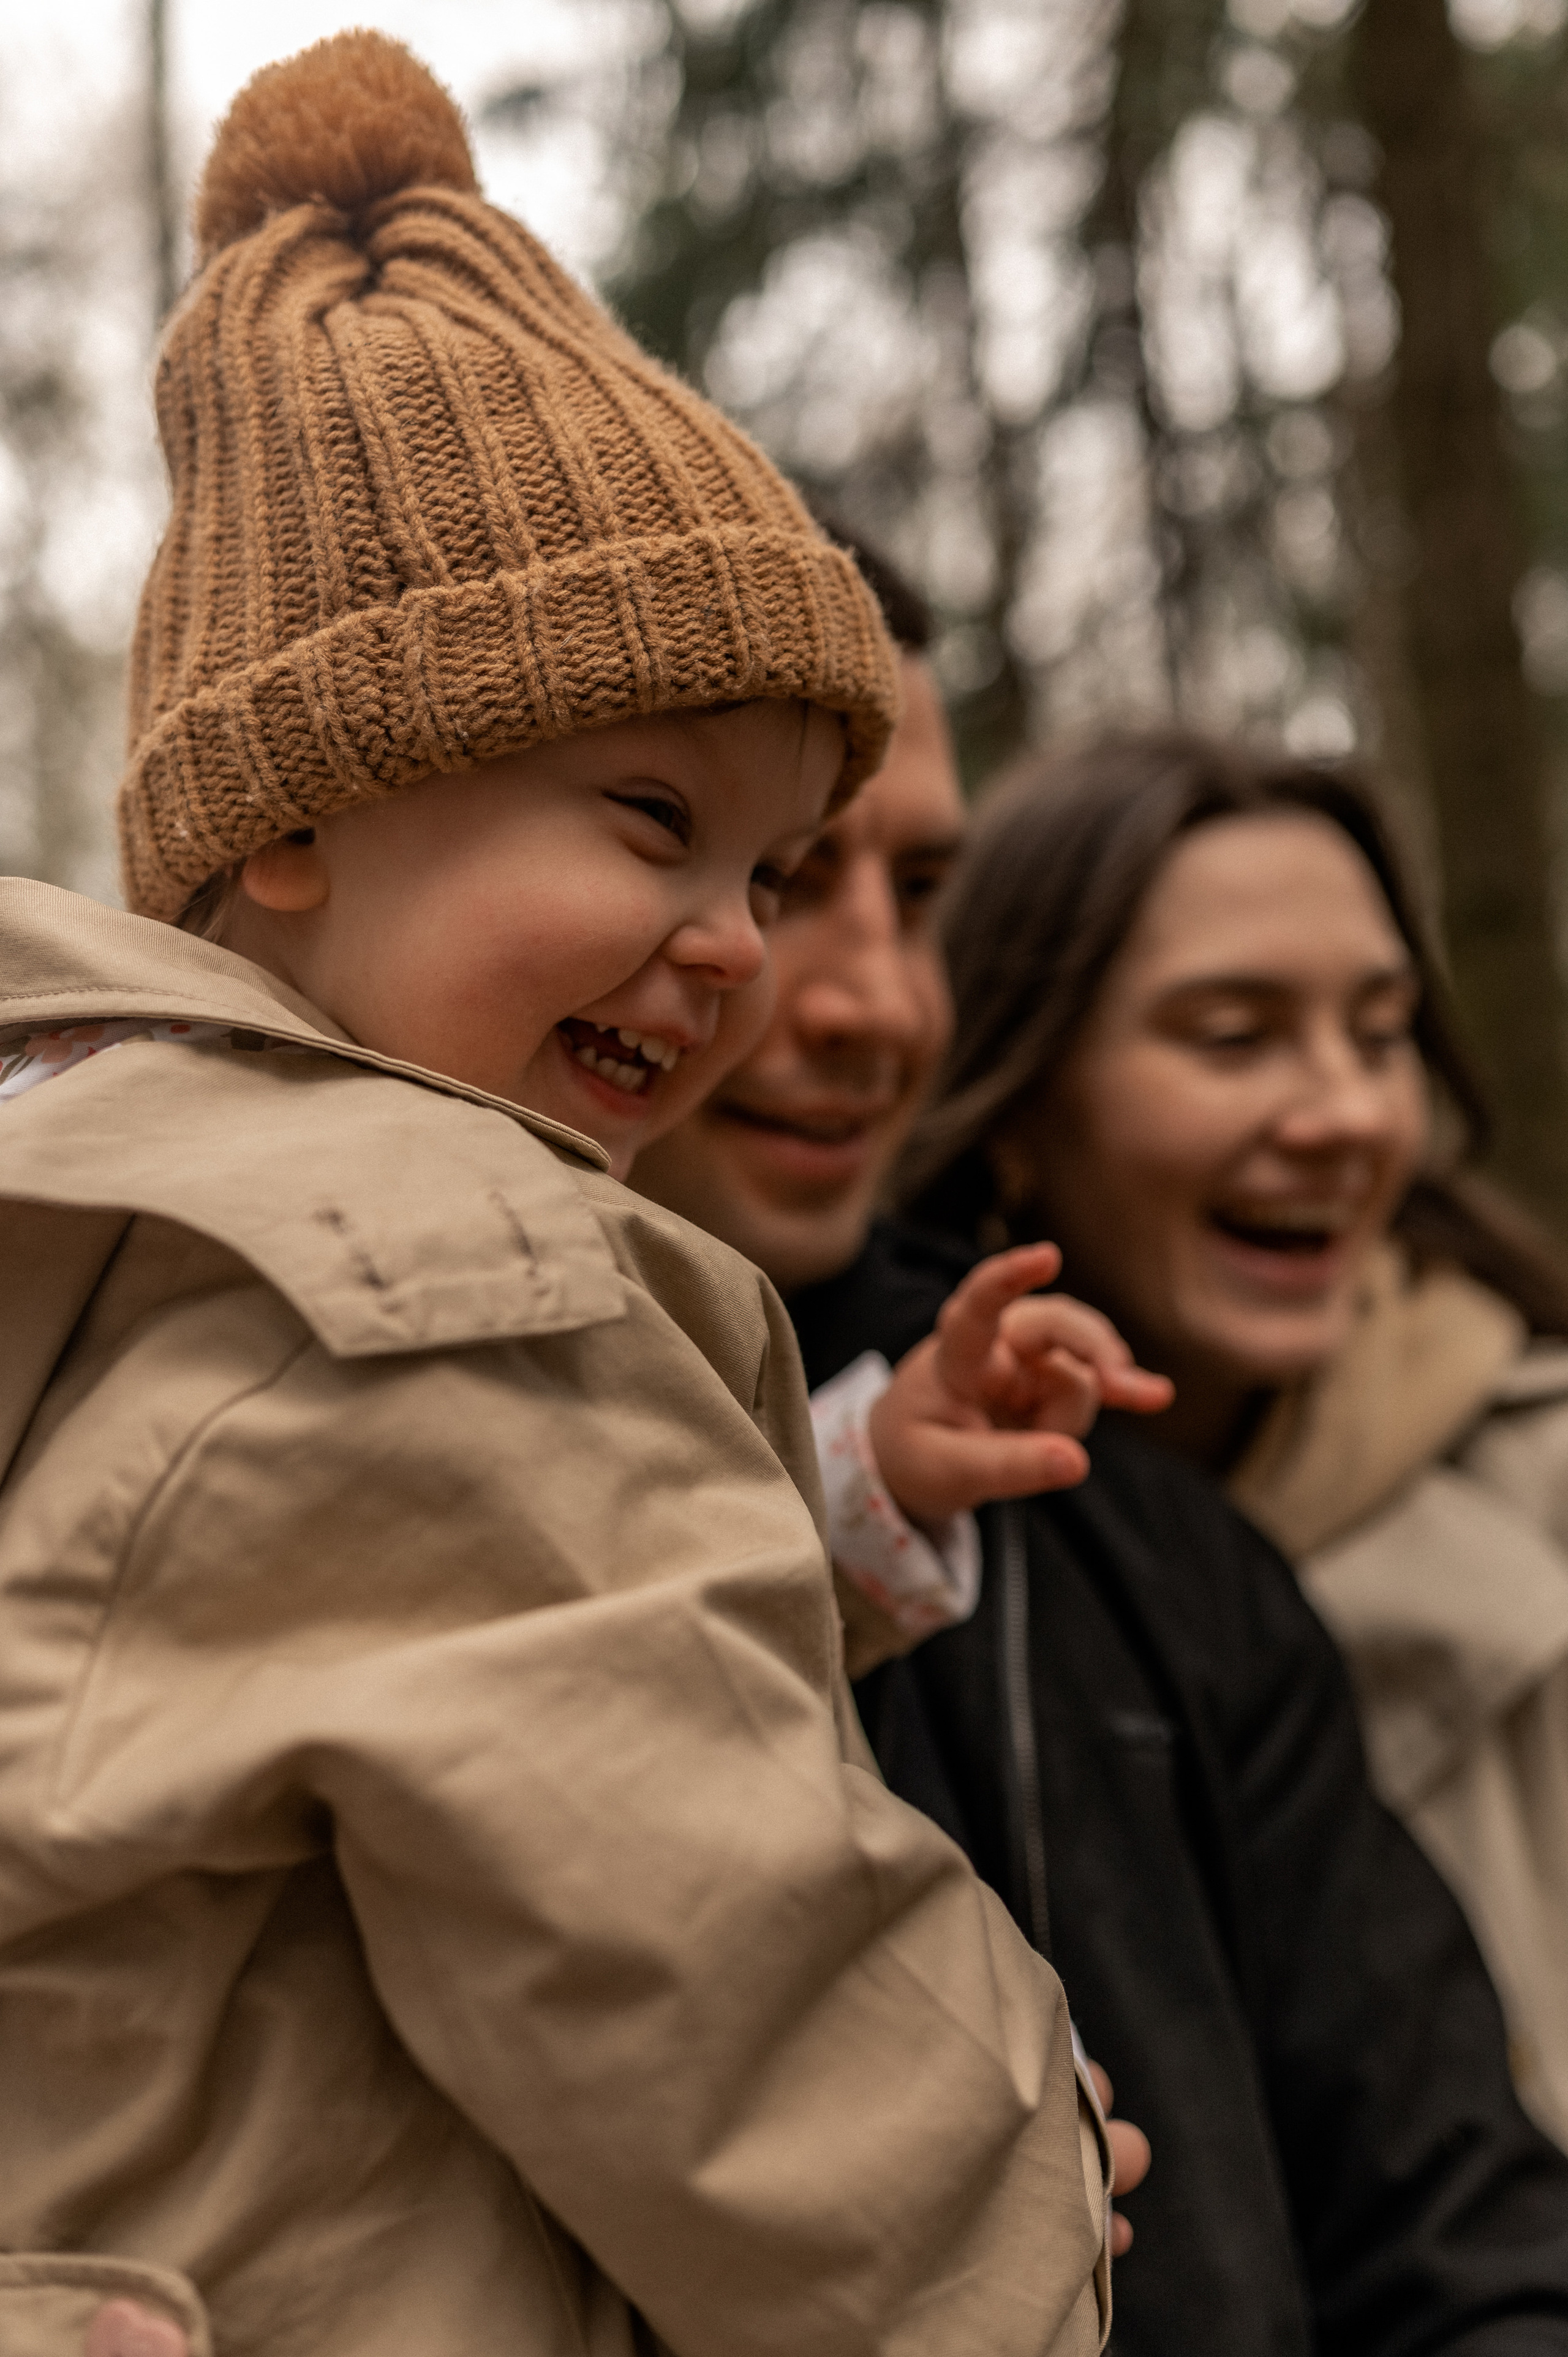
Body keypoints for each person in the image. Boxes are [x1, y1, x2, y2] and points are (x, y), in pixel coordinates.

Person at [0, 39, 1117, 2357]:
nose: (739, 937)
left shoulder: (105, 1206)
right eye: (645, 817)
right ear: (295, 815)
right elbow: (697, 1932)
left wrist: (839, 1500)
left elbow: (352, 1633)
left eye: (773, 864)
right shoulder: (419, 1264)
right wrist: (1017, 2199)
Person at [636, 593, 1568, 2356]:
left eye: (921, 898)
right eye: (776, 877)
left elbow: (1458, 2234)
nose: (867, 993)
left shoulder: (1149, 1558)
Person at [902, 729, 1568, 2157]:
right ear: (1013, 1097)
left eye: (1381, 1034)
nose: (1345, 1114)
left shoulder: (1544, 1494)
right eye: (1231, 1036)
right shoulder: (867, 1534)